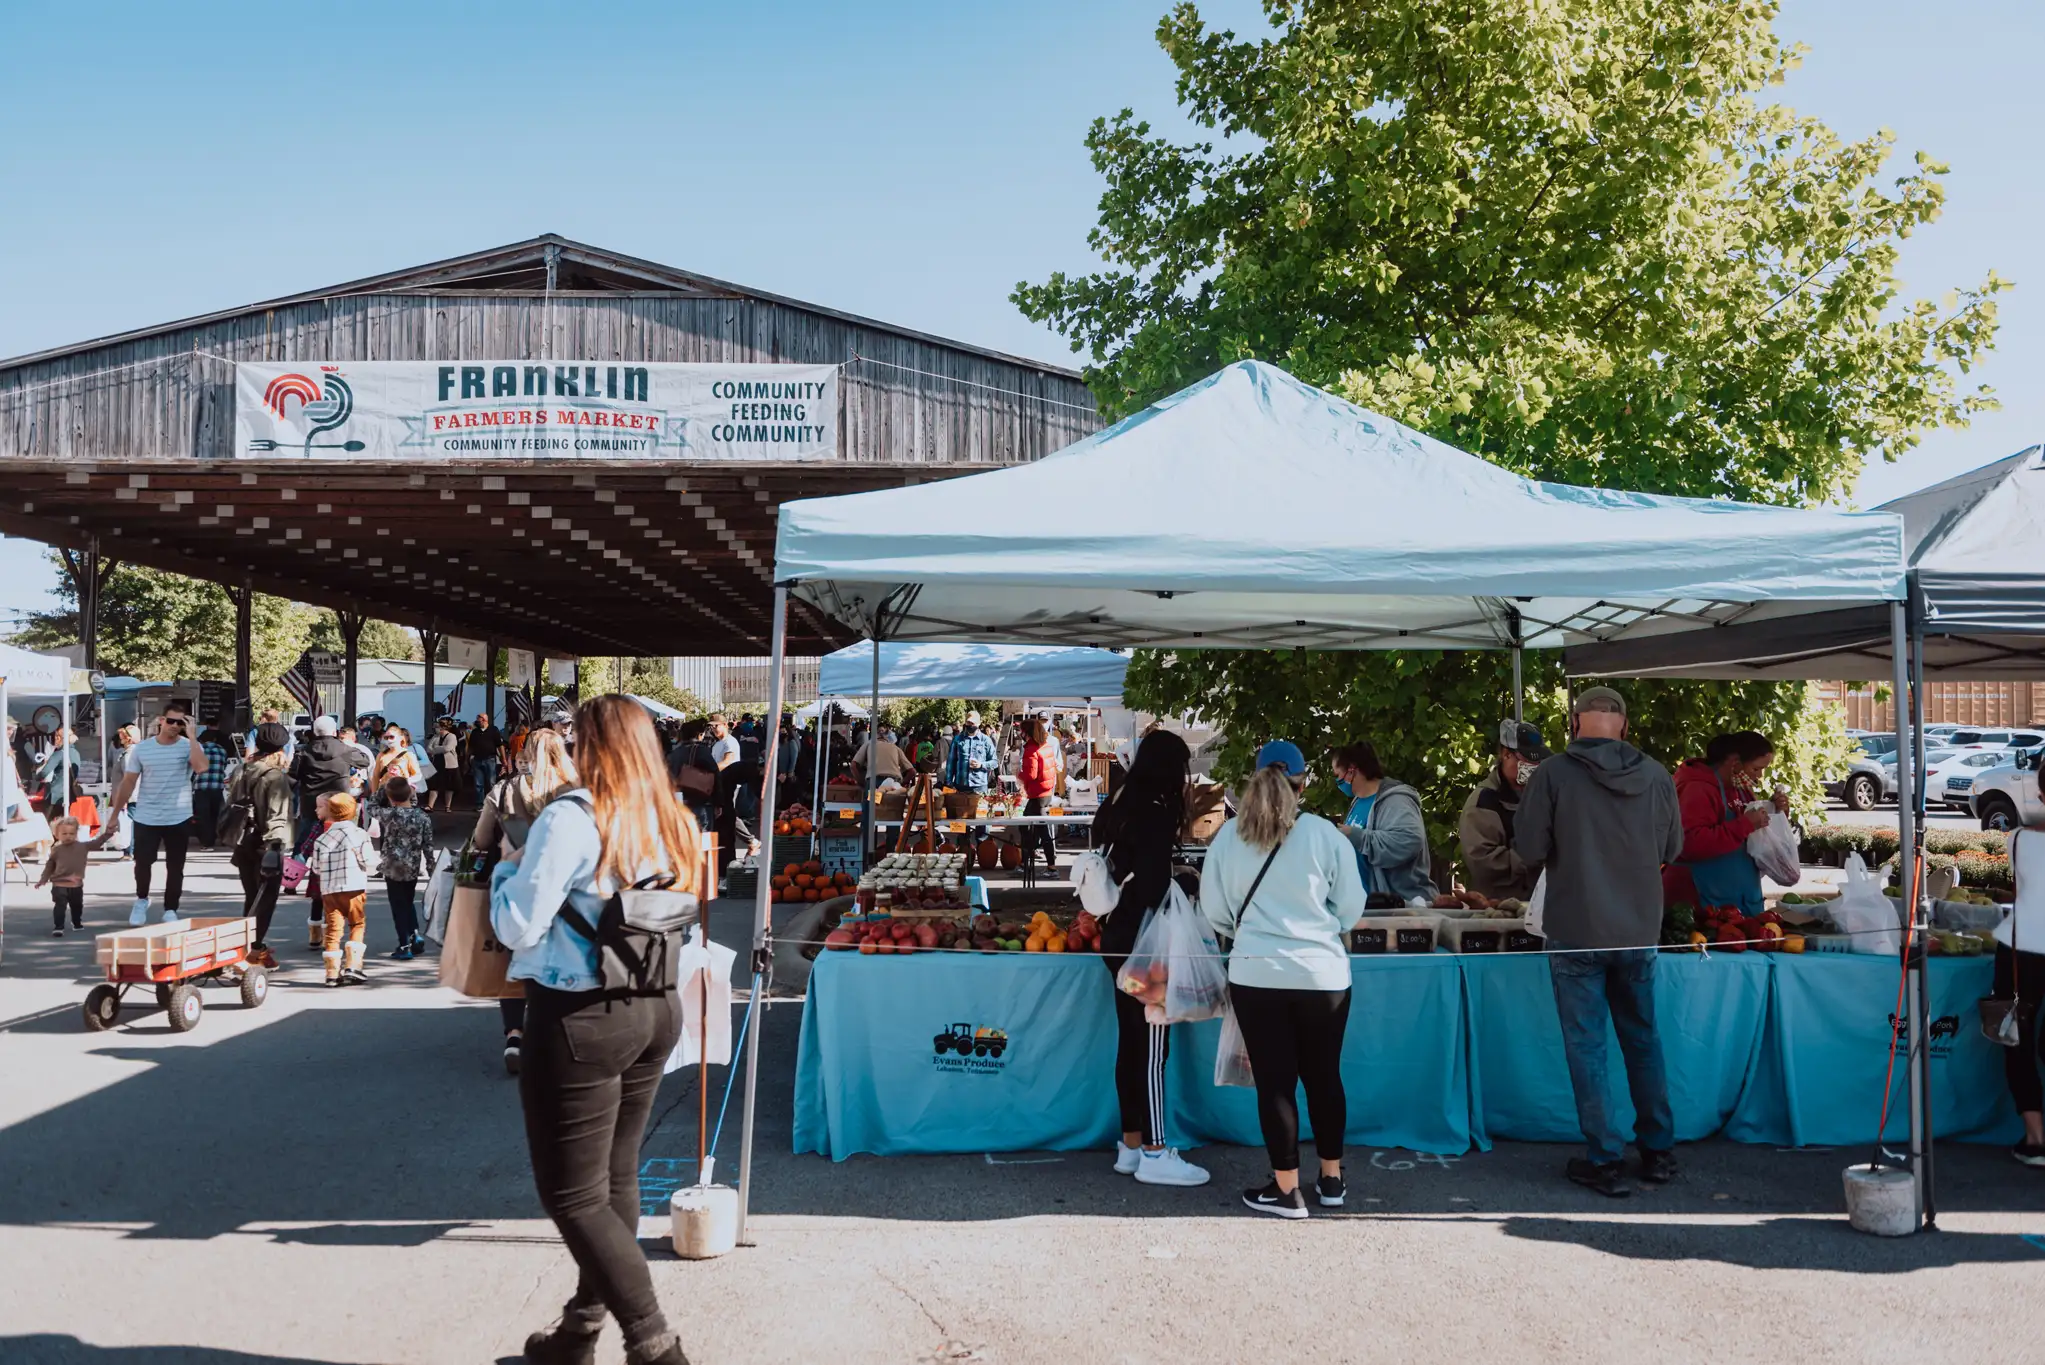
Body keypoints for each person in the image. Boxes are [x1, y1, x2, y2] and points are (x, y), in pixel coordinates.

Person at [491, 696, 694, 1365]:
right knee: (614, 1178)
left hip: (581, 1013)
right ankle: (578, 1332)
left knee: (573, 1195)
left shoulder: (570, 818)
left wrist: (503, 871)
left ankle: (655, 1345)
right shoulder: (675, 816)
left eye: (576, 736)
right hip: (657, 1003)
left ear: (592, 746)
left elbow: (518, 924)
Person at [1513, 686, 1683, 1197]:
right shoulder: (1655, 775)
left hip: (1575, 930)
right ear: (1624, 726)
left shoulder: (1553, 775)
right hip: (1637, 930)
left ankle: (1605, 1159)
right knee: (1643, 1040)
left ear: (1573, 725)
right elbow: (1672, 848)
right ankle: (1658, 1152)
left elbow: (1529, 847)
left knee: (1587, 1048)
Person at [1199, 740, 1368, 1220]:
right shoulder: (1324, 835)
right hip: (1323, 974)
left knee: (1276, 1082)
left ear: (1253, 780)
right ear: (1303, 783)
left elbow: (1214, 911)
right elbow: (1351, 909)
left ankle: (1286, 1189)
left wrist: (1245, 930)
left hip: (1256, 972)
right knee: (1324, 1076)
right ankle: (1331, 1179)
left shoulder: (1230, 837)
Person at [1088, 730, 1209, 1187]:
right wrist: (1186, 881)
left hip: (1117, 938)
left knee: (1130, 1042)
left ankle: (1132, 1144)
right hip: (1148, 945)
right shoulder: (1154, 812)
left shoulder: (1117, 801)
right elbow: (1157, 886)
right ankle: (1158, 1151)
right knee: (1154, 1047)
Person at [476, 727, 579, 1076]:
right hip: (565, 888)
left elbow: (480, 838)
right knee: (561, 958)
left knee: (513, 960)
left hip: (513, 883)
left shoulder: (502, 790)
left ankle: (515, 1035)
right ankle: (554, 1035)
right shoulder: (576, 791)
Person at [1663, 731, 1787, 917]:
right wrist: (1745, 825)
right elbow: (1689, 843)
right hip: (1702, 905)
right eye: (1756, 769)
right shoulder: (1696, 788)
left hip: (1740, 904)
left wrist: (1777, 812)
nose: (1759, 776)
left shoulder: (1741, 790)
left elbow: (1755, 838)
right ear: (1734, 763)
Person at [109, 705, 208, 925]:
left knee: (175, 866)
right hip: (147, 815)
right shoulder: (142, 749)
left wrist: (191, 736)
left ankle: (171, 908)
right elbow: (129, 782)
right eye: (171, 721)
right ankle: (142, 899)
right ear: (162, 720)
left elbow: (201, 768)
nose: (175, 726)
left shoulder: (189, 746)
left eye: (180, 723)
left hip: (178, 816)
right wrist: (115, 813)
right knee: (142, 862)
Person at [1995, 761, 2045, 1166]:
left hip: (2021, 945)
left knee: (2017, 1038)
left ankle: (2035, 1137)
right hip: (2024, 944)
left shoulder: (2017, 839)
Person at [1329, 739, 1437, 905]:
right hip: (1370, 908)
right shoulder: (1358, 801)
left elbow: (1410, 840)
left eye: (1338, 775)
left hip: (1403, 910)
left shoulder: (1396, 801)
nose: (1337, 782)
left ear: (1351, 771)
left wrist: (1356, 836)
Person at [1458, 721, 1550, 902]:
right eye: (1528, 759)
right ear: (1506, 754)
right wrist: (1533, 859)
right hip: (1499, 910)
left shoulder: (1541, 794)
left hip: (1540, 905)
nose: (1534, 765)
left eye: (1537, 759)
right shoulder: (1484, 801)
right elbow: (1482, 860)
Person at [228, 721, 295, 969]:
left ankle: (251, 946)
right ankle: (252, 952)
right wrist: (275, 848)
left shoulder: (243, 769)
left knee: (251, 896)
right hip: (266, 843)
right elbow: (277, 815)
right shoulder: (275, 776)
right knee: (266, 900)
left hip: (243, 839)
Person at [312, 791, 374, 987]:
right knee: (356, 924)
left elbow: (315, 868)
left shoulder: (322, 839)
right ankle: (353, 966)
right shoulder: (359, 834)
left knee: (333, 929)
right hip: (354, 886)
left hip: (330, 889)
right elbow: (368, 860)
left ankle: (331, 973)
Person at [374, 777, 435, 961]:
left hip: (392, 866)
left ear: (391, 798)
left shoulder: (389, 815)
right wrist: (431, 866)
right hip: (412, 865)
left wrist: (382, 788)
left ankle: (404, 944)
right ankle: (414, 934)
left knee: (397, 906)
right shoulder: (423, 817)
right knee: (408, 902)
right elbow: (428, 845)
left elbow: (371, 806)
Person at [38, 812, 118, 936]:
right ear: (56, 835)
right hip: (59, 884)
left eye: (72, 833)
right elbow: (50, 865)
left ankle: (76, 922)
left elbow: (97, 843)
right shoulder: (56, 850)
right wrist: (43, 879)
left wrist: (108, 834)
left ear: (76, 833)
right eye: (64, 834)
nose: (68, 836)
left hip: (76, 884)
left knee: (77, 906)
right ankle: (58, 927)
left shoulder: (82, 846)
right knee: (60, 906)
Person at [1017, 716, 1061, 873]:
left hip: (1037, 794)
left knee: (1032, 828)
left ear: (1026, 733)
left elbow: (1031, 774)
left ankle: (1048, 866)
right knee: (1034, 827)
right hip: (1045, 792)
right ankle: (1029, 862)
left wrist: (1018, 775)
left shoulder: (1031, 750)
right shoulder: (1046, 746)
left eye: (1021, 731)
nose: (1019, 733)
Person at [190, 725, 233, 848]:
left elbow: (193, 769)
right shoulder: (222, 751)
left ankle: (206, 842)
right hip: (217, 787)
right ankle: (214, 837)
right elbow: (223, 766)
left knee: (203, 815)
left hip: (201, 787)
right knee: (215, 814)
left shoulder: (199, 750)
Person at [942, 710, 998, 795]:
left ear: (979, 724)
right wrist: (949, 783)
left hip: (979, 786)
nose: (970, 725)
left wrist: (981, 765)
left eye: (973, 723)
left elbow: (995, 762)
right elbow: (951, 762)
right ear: (965, 723)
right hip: (960, 785)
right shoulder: (957, 739)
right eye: (968, 722)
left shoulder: (986, 740)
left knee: (980, 809)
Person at [467, 711, 505, 809]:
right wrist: (467, 758)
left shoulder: (494, 730)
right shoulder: (475, 732)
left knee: (491, 782)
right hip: (477, 759)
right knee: (478, 783)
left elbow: (500, 745)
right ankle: (480, 804)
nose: (477, 722)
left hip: (490, 759)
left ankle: (493, 803)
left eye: (479, 720)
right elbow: (470, 746)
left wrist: (503, 758)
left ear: (484, 720)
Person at [424, 717, 462, 811]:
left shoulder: (451, 736)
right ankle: (430, 806)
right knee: (434, 785)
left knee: (449, 786)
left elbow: (447, 748)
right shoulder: (435, 737)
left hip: (450, 765)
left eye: (437, 727)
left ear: (442, 727)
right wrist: (437, 749)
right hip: (437, 763)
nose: (435, 729)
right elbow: (428, 749)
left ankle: (447, 806)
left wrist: (435, 749)